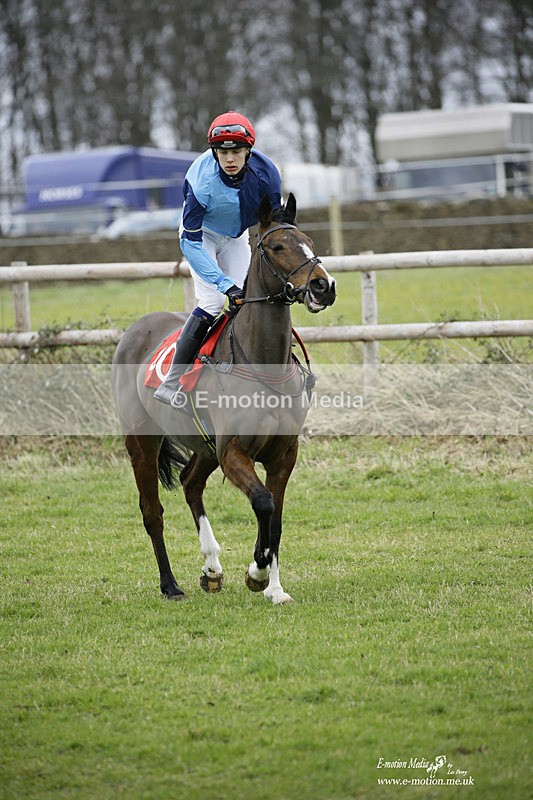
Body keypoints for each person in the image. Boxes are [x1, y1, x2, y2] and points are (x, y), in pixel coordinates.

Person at [154, 111, 282, 406]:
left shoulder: (268, 173)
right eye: (223, 152)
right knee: (213, 302)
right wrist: (224, 283)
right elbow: (191, 242)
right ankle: (173, 380)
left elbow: (274, 223)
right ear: (214, 152)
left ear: (249, 150)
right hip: (202, 238)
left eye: (236, 151)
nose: (230, 159)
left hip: (237, 237)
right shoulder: (201, 181)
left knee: (247, 302)